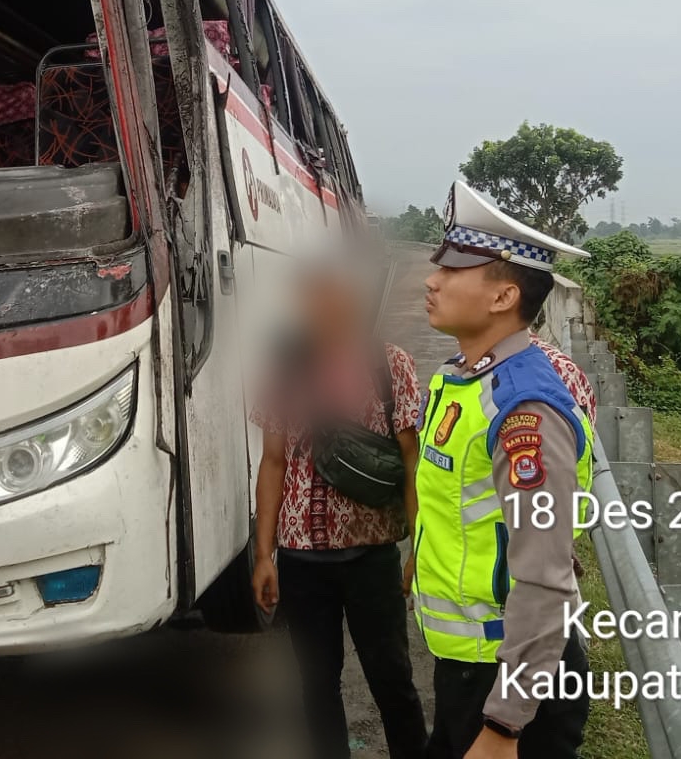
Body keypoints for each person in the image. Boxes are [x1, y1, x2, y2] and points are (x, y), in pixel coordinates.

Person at [411, 182, 596, 759]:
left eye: (454, 271)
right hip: (468, 667)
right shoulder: (462, 379)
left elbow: (545, 577)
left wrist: (505, 726)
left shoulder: (525, 410)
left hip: (508, 682)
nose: (431, 280)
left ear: (502, 297)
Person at [250, 265, 428, 759]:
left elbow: (411, 462)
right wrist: (264, 555)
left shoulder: (391, 366)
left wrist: (418, 548)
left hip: (372, 556)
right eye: (311, 297)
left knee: (393, 681)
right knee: (316, 686)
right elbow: (273, 462)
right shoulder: (283, 370)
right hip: (302, 559)